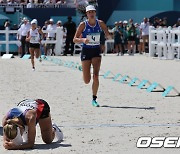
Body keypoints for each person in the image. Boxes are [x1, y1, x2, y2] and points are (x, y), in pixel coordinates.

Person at [73, 5, 111, 107]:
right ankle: (85, 69)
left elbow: (107, 34)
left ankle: (94, 98)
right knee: (86, 80)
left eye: (93, 12)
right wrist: (83, 40)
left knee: (96, 76)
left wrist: (108, 36)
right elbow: (74, 39)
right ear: (87, 14)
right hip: (86, 51)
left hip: (96, 51)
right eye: (89, 12)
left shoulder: (100, 23)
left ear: (95, 13)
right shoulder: (83, 25)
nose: (91, 14)